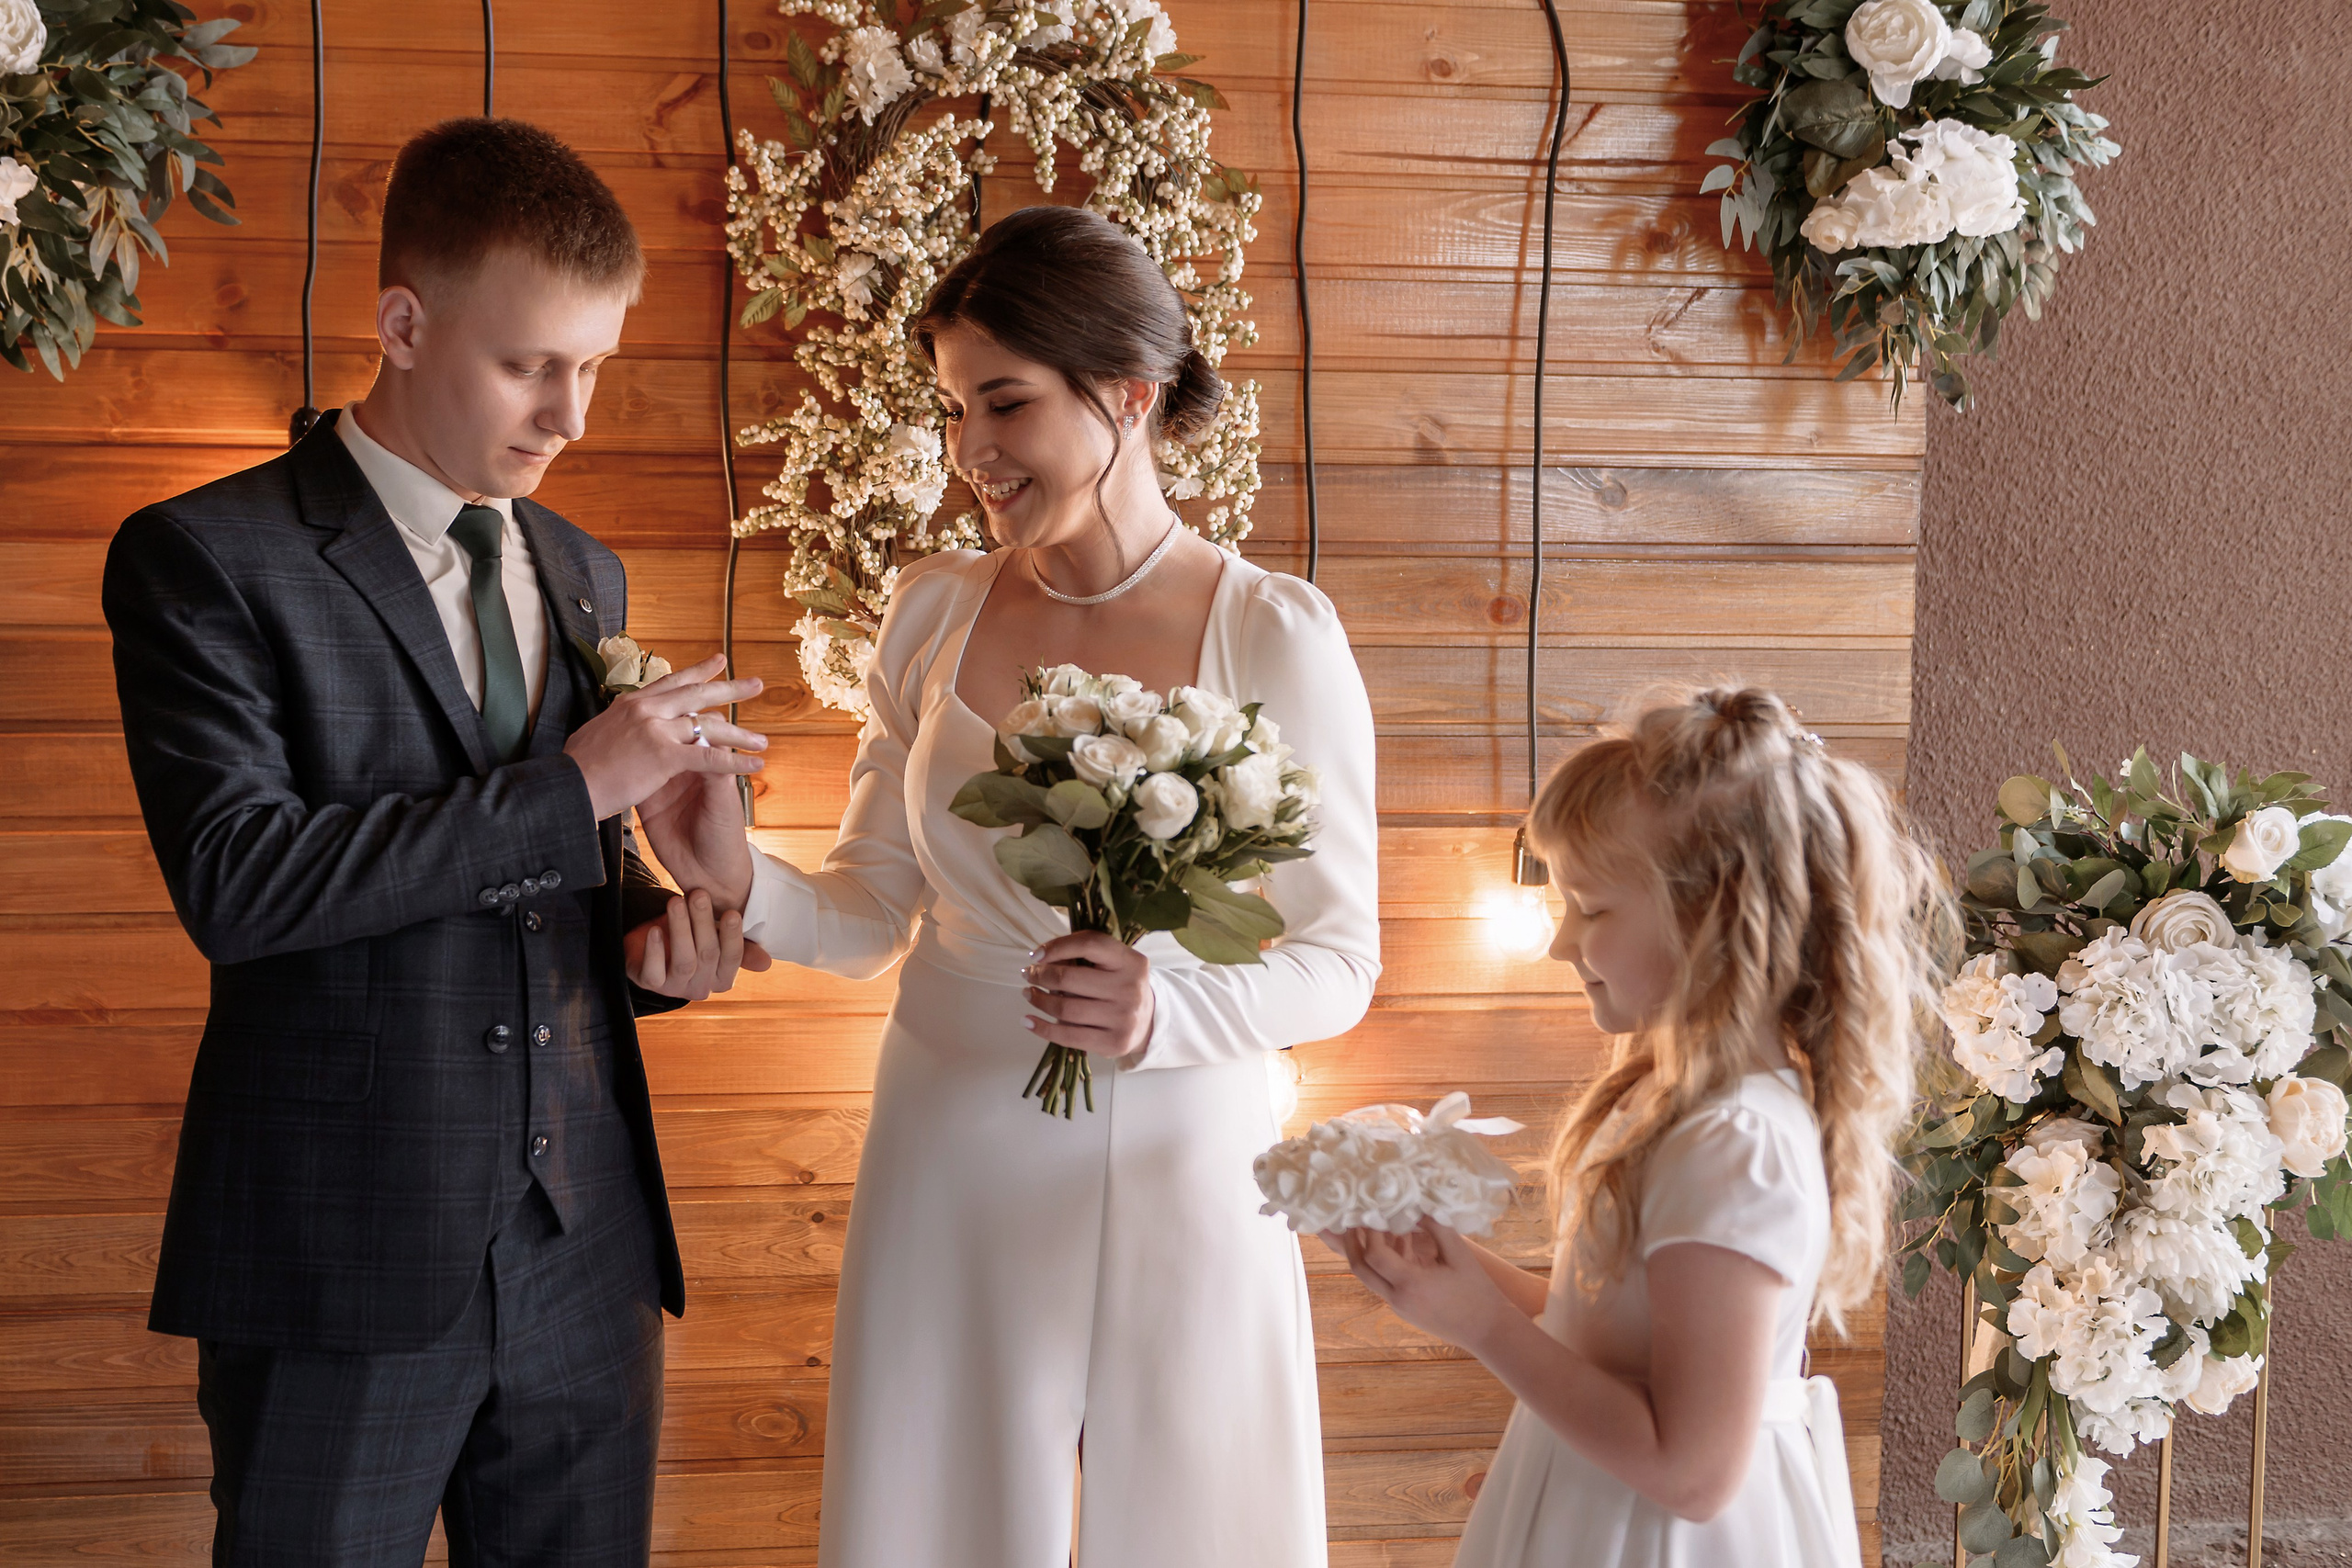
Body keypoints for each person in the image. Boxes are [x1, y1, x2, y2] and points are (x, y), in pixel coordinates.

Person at [641, 205, 1381, 1568]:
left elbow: (1338, 957)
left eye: (1004, 403)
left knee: (1203, 1515)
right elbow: (869, 911)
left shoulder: (1271, 629)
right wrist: (739, 871)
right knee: (934, 1515)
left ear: (1128, 393)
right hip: (951, 1130)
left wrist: (1169, 1010)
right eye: (952, 409)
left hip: (1185, 1144)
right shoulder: (931, 609)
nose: (970, 451)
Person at [100, 118, 769, 1565]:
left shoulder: (582, 566)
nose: (569, 413)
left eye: (593, 364)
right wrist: (579, 784)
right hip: (338, 1261)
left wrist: (664, 935)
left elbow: (546, 891)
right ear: (402, 322)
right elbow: (241, 881)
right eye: (531, 363)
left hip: (583, 1253)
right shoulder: (208, 558)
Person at [1323, 687, 1956, 1568]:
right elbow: (1611, 1337)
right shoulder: (1672, 1097)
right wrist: (1450, 1268)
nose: (1560, 943)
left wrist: (1484, 1329)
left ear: (1714, 922)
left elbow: (1694, 1470)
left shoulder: (1737, 1141)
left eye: (1592, 907)